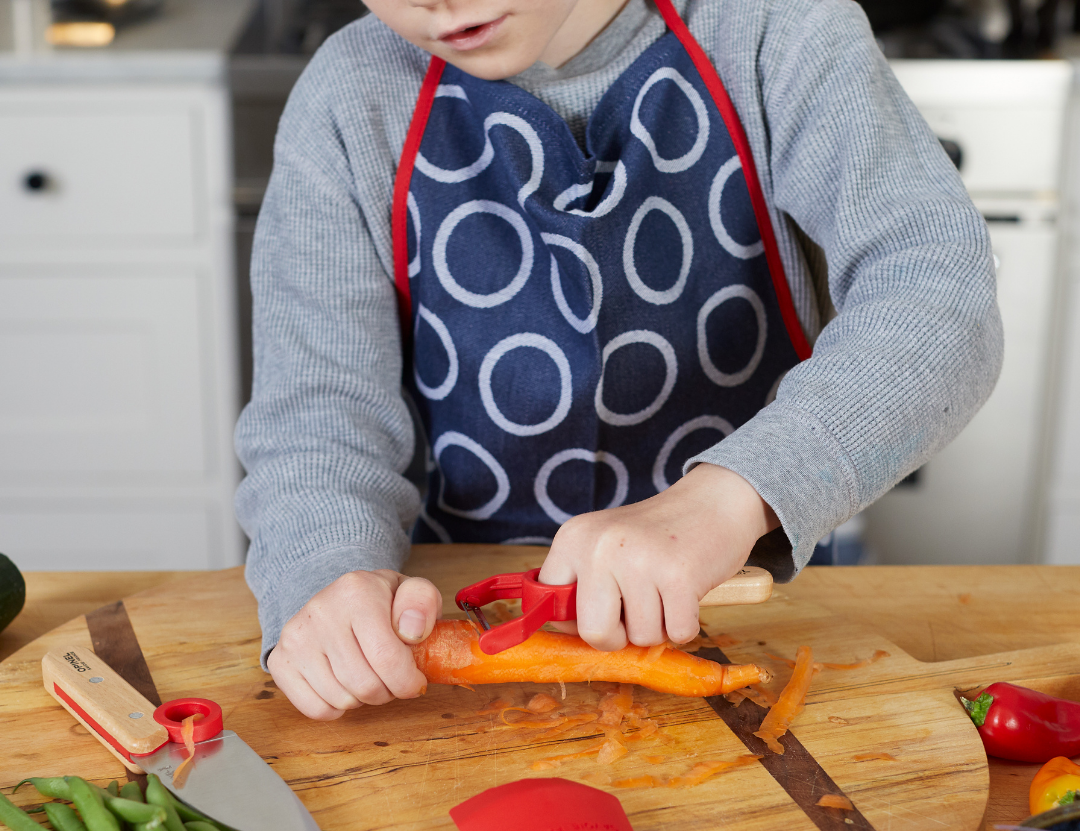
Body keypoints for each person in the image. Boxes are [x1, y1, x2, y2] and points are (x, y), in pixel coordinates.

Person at [235, 0, 1002, 720]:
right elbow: (318, 416)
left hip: (753, 610)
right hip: (458, 640)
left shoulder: (777, 29)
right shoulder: (350, 95)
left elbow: (937, 293)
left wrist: (734, 497)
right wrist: (328, 572)